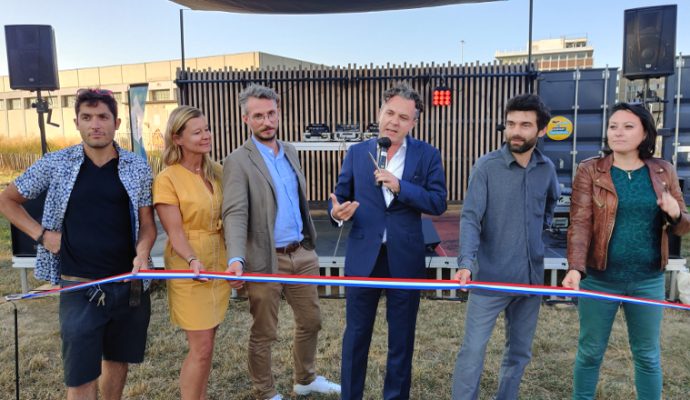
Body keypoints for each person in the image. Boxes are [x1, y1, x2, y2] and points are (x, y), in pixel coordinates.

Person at [0, 88, 156, 400]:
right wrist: (42, 235)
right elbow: (7, 200)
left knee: (117, 359)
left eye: (102, 117)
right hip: (78, 286)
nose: (95, 124)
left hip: (127, 284)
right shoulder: (56, 163)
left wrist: (143, 252)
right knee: (80, 375)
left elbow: (147, 225)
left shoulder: (137, 166)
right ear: (76, 122)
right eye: (87, 117)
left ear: (117, 122)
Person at [562, 102, 690, 400]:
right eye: (613, 126)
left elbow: (683, 226)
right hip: (599, 277)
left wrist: (673, 213)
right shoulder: (590, 170)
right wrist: (575, 268)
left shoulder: (663, 170)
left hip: (648, 279)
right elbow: (579, 222)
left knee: (647, 354)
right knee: (591, 351)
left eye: (628, 126)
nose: (617, 132)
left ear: (645, 132)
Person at [222, 84, 340, 400]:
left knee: (312, 322)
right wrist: (236, 258)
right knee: (265, 332)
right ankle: (266, 392)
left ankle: (305, 379)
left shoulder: (290, 151)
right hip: (264, 259)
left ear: (279, 112)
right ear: (246, 119)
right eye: (258, 115)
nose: (266, 121)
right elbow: (234, 213)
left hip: (301, 253)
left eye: (271, 113)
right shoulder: (237, 161)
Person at [330, 81, 448, 400]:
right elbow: (340, 195)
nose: (394, 122)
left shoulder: (427, 155)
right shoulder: (357, 153)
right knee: (355, 337)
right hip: (363, 257)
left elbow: (438, 202)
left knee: (401, 340)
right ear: (379, 112)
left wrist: (401, 187)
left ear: (414, 122)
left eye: (403, 117)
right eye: (390, 112)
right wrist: (337, 211)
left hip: (405, 258)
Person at [451, 93, 559, 400]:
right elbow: (471, 218)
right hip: (489, 276)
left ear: (541, 130)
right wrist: (466, 263)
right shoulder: (486, 167)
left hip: (530, 281)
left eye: (525, 125)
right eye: (511, 123)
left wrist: (538, 234)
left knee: (519, 353)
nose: (515, 131)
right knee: (472, 352)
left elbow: (551, 203)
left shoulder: (547, 168)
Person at [153, 105, 239, 399]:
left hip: (218, 261)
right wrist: (192, 260)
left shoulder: (217, 171)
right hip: (190, 267)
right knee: (201, 348)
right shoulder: (168, 178)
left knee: (208, 344)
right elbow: (174, 231)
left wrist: (234, 259)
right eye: (197, 131)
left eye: (207, 129)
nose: (206, 136)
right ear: (177, 138)